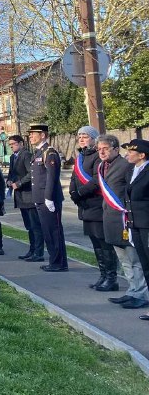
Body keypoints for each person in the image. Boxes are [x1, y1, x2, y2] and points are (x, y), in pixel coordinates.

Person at [95, 134, 149, 309]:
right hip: (112, 217)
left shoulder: (125, 166)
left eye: (105, 148)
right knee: (124, 259)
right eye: (99, 149)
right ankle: (133, 290)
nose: (101, 152)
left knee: (135, 259)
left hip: (126, 218)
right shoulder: (104, 166)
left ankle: (141, 292)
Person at [69, 126, 118, 290]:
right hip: (85, 207)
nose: (81, 139)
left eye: (85, 136)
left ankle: (111, 278)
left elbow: (98, 179)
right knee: (95, 243)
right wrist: (73, 192)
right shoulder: (80, 156)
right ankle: (103, 275)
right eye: (79, 136)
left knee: (104, 243)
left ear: (94, 139)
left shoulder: (98, 156)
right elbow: (74, 177)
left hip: (97, 205)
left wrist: (80, 192)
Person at [27, 123, 68, 272]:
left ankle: (58, 263)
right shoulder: (38, 152)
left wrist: (49, 198)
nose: (30, 136)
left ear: (43, 135)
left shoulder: (49, 153)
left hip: (48, 199)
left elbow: (52, 177)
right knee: (47, 231)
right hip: (40, 198)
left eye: (34, 133)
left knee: (54, 231)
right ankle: (55, 261)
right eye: (30, 134)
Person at [122, 139, 149, 320]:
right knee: (146, 265)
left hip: (147, 224)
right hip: (136, 224)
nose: (128, 154)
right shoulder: (132, 170)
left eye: (132, 152)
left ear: (142, 155)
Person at [6, 135, 44, 261]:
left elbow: (31, 173)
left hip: (29, 195)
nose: (11, 146)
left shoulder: (26, 155)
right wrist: (9, 180)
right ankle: (32, 250)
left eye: (14, 144)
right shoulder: (13, 157)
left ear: (21, 143)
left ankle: (39, 252)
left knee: (35, 226)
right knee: (28, 226)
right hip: (20, 196)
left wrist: (20, 183)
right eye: (10, 144)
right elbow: (12, 172)